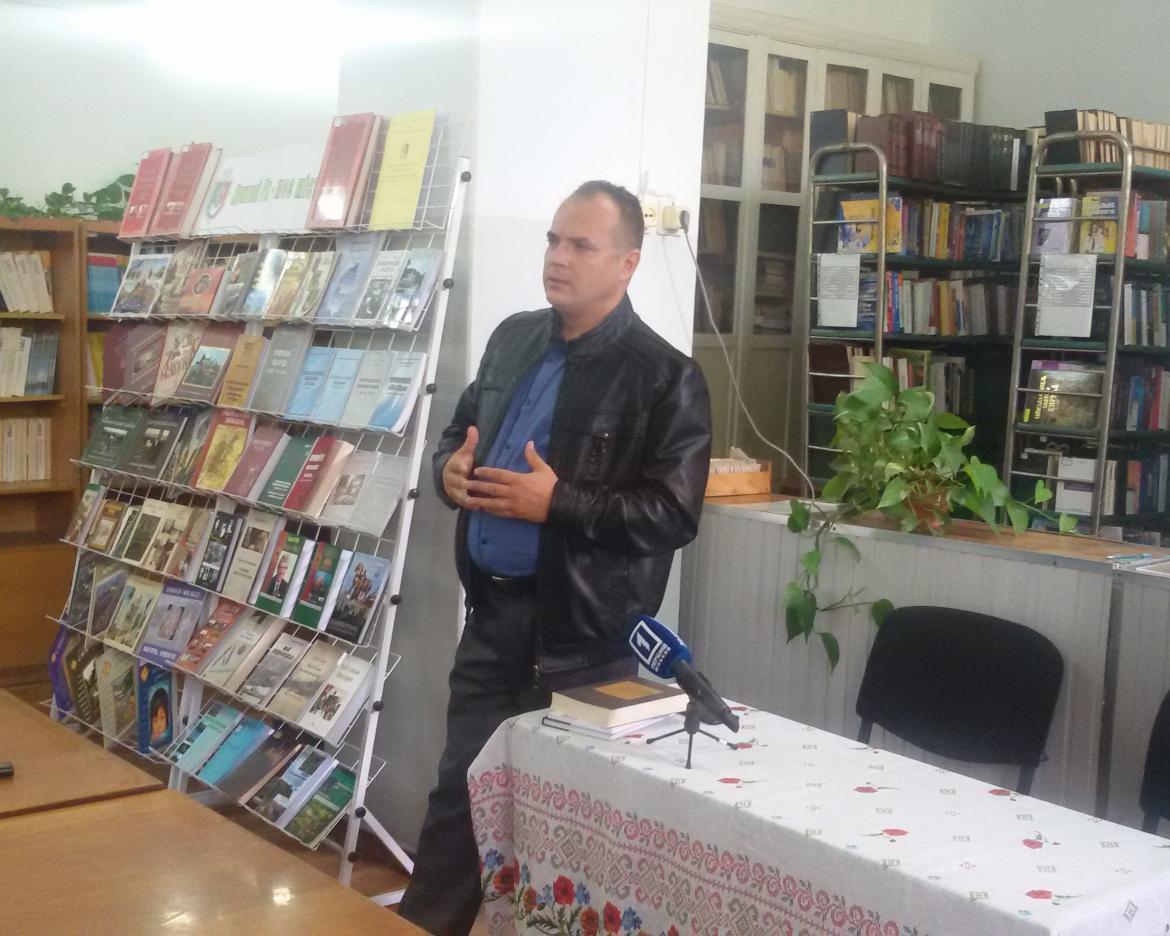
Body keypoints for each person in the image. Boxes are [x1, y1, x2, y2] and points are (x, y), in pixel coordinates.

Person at [398, 181, 712, 935]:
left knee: (570, 827)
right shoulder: (513, 338)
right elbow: (461, 431)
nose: (558, 258)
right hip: (493, 617)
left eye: (581, 245)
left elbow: (672, 515)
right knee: (458, 801)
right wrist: (448, 470)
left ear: (628, 263)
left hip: (585, 641)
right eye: (552, 240)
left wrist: (558, 503)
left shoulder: (665, 377)